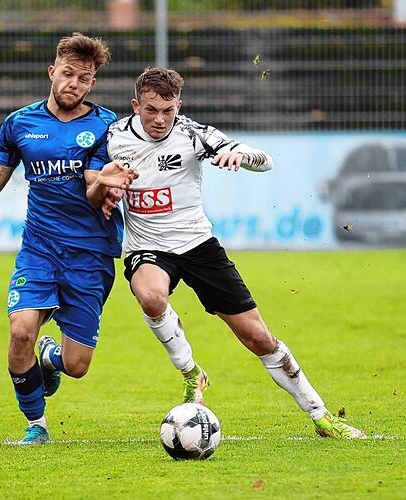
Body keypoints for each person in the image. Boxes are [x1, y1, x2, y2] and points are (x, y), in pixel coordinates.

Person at [97, 67, 366, 439]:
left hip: (198, 246)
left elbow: (264, 159)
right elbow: (93, 177)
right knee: (150, 296)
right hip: (148, 247)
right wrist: (106, 189)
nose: (160, 119)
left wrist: (239, 156)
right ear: (135, 105)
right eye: (151, 110)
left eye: (168, 111)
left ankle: (321, 416)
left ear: (179, 105)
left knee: (258, 338)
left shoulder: (194, 135)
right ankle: (191, 373)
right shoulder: (113, 137)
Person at [0, 33, 137, 445]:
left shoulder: (106, 126)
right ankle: (36, 425)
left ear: (92, 83)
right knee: (20, 329)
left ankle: (51, 357)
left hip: (90, 255)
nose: (74, 83)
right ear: (52, 72)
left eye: (84, 77)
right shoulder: (19, 123)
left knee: (77, 365)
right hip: (39, 249)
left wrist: (109, 187)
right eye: (68, 74)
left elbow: (95, 184)